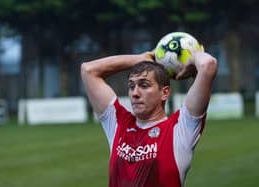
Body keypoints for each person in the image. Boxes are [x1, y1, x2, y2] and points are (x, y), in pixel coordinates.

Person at [81, 48, 217, 187]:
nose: (135, 93)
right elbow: (88, 70)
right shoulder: (118, 124)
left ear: (164, 93)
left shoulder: (180, 129)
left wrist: (193, 56)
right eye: (131, 86)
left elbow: (208, 64)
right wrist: (139, 59)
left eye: (144, 85)